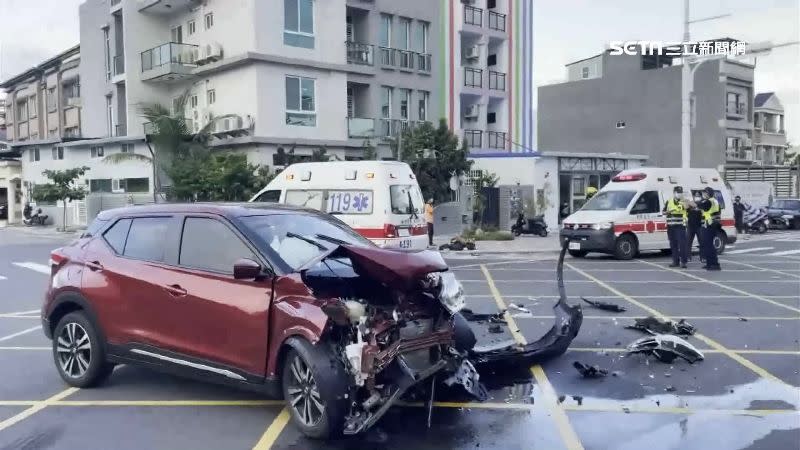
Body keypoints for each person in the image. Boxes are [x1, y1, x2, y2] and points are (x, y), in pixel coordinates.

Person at [663, 186, 688, 268]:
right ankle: (675, 261)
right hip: (671, 227)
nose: (679, 194)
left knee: (682, 244)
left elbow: (687, 207)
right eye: (678, 192)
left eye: (680, 192)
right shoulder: (669, 201)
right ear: (674, 193)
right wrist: (667, 212)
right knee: (673, 244)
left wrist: (678, 207)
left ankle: (683, 262)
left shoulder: (684, 201)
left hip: (680, 226)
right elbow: (663, 212)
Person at [697, 186, 722, 271]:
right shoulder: (714, 201)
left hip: (710, 225)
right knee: (707, 245)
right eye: (703, 193)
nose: (703, 194)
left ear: (709, 194)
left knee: (709, 245)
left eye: (705, 193)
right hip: (710, 225)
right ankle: (709, 263)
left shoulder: (709, 201)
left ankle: (714, 264)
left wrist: (692, 203)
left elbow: (700, 205)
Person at [685, 192, 704, 263]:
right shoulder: (690, 204)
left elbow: (703, 211)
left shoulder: (703, 204)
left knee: (701, 242)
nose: (697, 197)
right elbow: (686, 207)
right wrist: (689, 203)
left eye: (698, 196)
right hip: (691, 226)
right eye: (696, 196)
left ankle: (703, 257)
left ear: (700, 197)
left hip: (699, 226)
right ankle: (688, 257)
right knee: (688, 242)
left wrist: (696, 206)